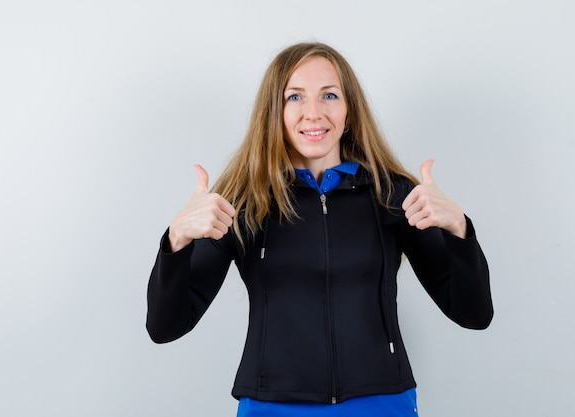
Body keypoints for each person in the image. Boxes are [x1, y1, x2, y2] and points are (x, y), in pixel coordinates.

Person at [146, 42, 493, 417]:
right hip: (272, 406)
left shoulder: (394, 195)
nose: (314, 113)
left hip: (381, 402)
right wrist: (175, 241)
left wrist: (459, 230)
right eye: (295, 97)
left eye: (329, 95)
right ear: (274, 112)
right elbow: (166, 326)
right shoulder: (243, 203)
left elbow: (473, 314)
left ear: (349, 111)